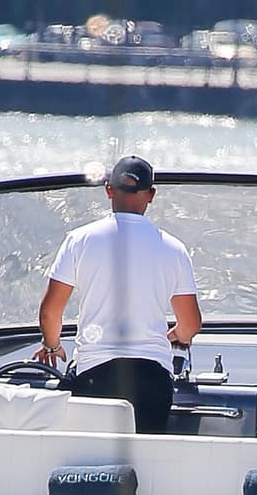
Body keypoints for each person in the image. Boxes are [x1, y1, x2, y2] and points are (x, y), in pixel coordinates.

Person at [33, 155, 202, 433]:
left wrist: (52, 345)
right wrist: (177, 336)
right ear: (151, 195)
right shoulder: (174, 249)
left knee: (90, 467)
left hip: (96, 373)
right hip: (153, 381)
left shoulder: (80, 239)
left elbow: (50, 312)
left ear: (109, 189)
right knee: (145, 465)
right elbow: (191, 324)